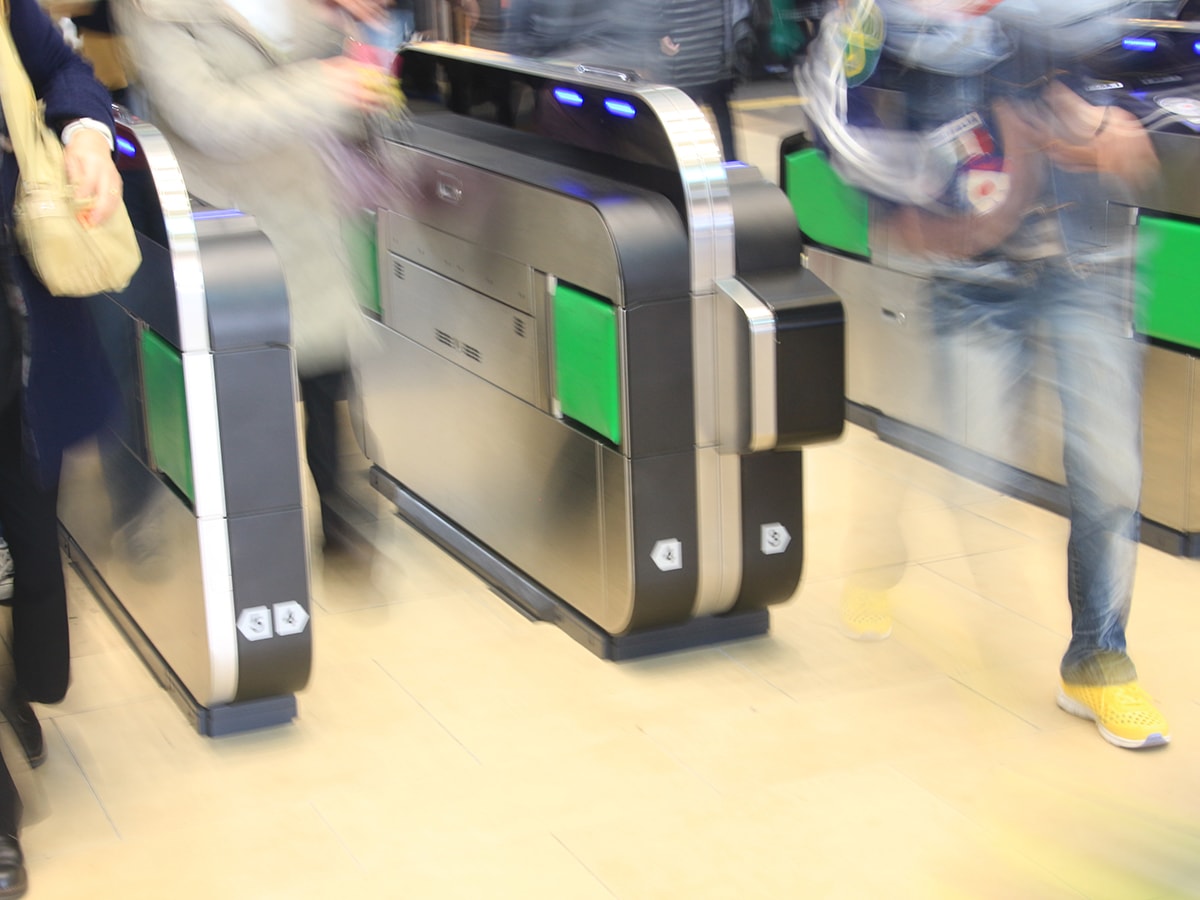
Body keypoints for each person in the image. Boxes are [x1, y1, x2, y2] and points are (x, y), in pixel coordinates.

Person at [796, 0, 1169, 748]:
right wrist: (910, 199)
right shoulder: (882, 15)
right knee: (958, 454)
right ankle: (882, 543)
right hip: (969, 271)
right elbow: (833, 111)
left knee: (1109, 472)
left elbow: (1115, 68)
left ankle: (1098, 658)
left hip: (1084, 260)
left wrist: (1108, 125)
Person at [112, 0, 402, 558]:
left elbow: (313, 71)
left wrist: (336, 25)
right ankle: (252, 552)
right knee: (248, 397)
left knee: (326, 374)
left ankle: (342, 520)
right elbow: (205, 117)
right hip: (229, 221)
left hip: (305, 206)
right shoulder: (156, 8)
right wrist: (325, 85)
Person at [0, 0, 126, 894]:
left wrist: (84, 131)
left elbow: (64, 68)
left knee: (26, 524)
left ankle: (15, 685)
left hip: (14, 323)